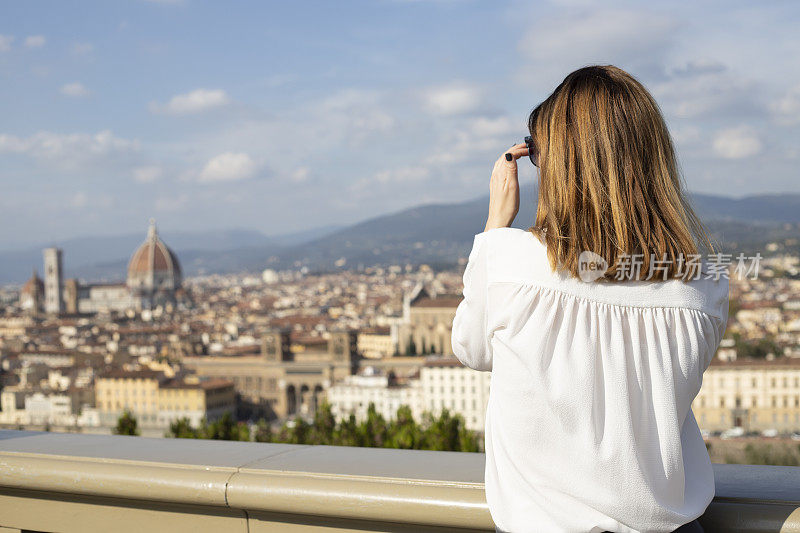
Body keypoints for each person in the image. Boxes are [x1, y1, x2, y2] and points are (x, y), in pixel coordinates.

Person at [451, 65, 728, 533]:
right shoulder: (705, 281)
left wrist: (496, 225)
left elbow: (471, 349)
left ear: (558, 164)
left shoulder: (509, 264)